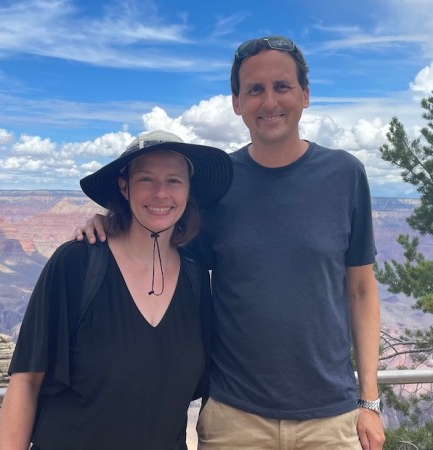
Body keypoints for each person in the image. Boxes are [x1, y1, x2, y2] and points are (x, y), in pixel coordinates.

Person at [79, 35, 385, 450]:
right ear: (237, 103)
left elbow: (362, 289)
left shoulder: (345, 175)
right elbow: (163, 248)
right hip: (234, 418)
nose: (269, 101)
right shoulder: (218, 187)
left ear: (305, 95)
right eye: (255, 89)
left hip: (330, 419)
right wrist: (114, 220)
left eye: (282, 86)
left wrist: (369, 401)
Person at [0, 130, 233, 450]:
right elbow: (26, 381)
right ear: (124, 187)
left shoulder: (195, 277)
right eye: (146, 179)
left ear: (188, 190)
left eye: (174, 180)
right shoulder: (77, 264)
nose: (161, 193)